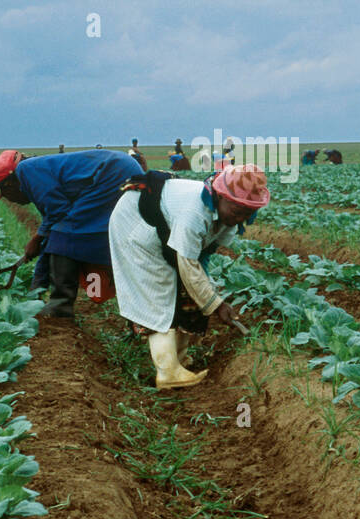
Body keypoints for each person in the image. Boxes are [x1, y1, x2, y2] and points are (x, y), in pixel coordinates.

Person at [109, 164, 268, 388]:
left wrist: (208, 296)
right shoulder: (194, 212)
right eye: (236, 210)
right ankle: (167, 372)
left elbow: (202, 258)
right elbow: (187, 263)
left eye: (247, 212)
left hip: (163, 228)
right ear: (220, 197)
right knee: (159, 293)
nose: (240, 217)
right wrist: (215, 304)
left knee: (187, 293)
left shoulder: (229, 219)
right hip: (136, 222)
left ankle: (179, 359)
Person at [0, 148, 143, 318]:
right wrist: (35, 289)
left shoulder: (27, 171)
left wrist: (36, 238)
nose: (11, 200)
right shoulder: (34, 172)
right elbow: (53, 227)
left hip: (113, 173)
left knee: (67, 233)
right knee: (62, 233)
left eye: (6, 195)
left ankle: (60, 306)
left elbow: (57, 213)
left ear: (8, 184)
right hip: (120, 169)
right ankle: (53, 299)